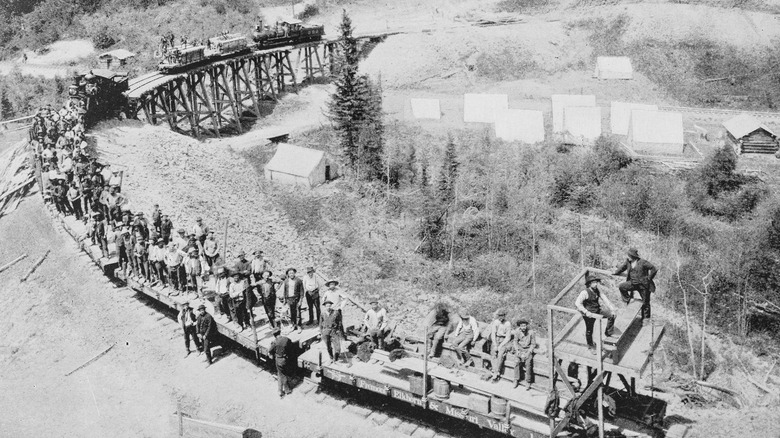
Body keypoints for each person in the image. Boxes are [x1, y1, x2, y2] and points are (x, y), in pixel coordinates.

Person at [575, 272, 616, 355]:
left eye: (596, 282)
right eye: (594, 282)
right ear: (589, 284)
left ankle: (608, 333)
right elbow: (577, 303)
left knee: (612, 315)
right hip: (589, 314)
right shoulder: (585, 292)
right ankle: (590, 346)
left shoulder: (597, 290)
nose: (596, 284)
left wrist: (611, 308)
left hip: (597, 310)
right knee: (589, 330)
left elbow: (604, 297)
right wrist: (586, 312)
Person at [613, 248, 657, 322]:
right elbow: (622, 268)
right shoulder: (628, 262)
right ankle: (628, 299)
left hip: (643, 285)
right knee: (622, 287)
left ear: (633, 256)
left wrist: (649, 278)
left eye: (629, 256)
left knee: (646, 302)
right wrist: (615, 272)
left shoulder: (642, 262)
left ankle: (645, 319)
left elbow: (654, 268)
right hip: (633, 283)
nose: (628, 257)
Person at [512, 319, 536, 389]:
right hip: (520, 349)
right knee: (516, 362)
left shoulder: (531, 332)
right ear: (519, 326)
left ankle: (528, 381)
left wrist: (529, 352)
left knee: (528, 363)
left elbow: (533, 344)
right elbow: (515, 342)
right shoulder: (517, 331)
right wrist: (517, 350)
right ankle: (516, 379)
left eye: (524, 326)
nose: (523, 328)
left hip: (527, 350)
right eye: (522, 326)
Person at [490, 309, 513, 381]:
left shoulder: (507, 324)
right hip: (497, 338)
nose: (500, 318)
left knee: (500, 354)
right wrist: (495, 344)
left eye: (502, 316)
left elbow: (508, 337)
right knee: (493, 353)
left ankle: (497, 371)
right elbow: (493, 334)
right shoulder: (496, 322)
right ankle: (494, 369)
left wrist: (500, 346)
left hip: (504, 340)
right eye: (499, 316)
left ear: (504, 316)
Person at [269, 327, 293, 397]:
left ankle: (287, 390)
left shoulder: (275, 342)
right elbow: (290, 346)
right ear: (280, 332)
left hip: (279, 360)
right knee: (281, 374)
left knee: (282, 374)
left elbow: (270, 350)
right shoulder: (286, 339)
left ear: (274, 335)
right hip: (286, 359)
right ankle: (279, 390)